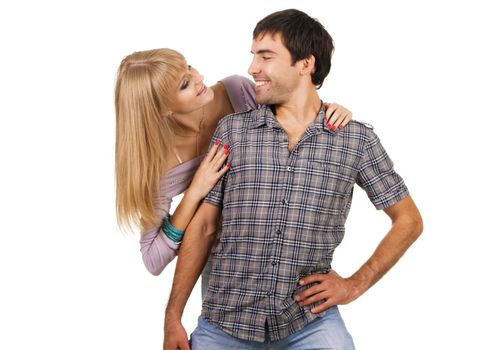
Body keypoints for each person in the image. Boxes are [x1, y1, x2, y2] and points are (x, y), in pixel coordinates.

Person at [163, 9, 423, 350]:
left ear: (305, 64)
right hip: (224, 322)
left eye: (266, 56)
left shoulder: (355, 140)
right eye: (253, 56)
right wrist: (172, 318)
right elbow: (203, 227)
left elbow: (409, 220)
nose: (252, 68)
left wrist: (354, 285)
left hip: (308, 322)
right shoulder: (233, 131)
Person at [114, 48, 353, 298]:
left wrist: (329, 112)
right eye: (184, 84)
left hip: (289, 245)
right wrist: (194, 192)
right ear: (162, 109)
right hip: (225, 267)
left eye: (189, 67)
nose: (199, 77)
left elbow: (294, 119)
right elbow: (153, 260)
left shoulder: (236, 92)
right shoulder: (156, 164)